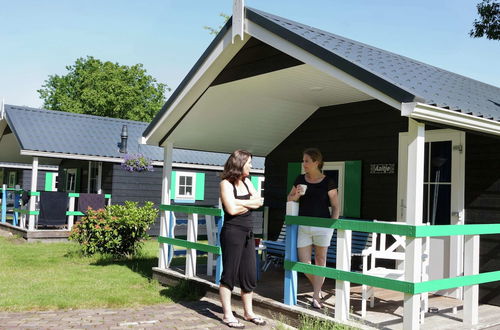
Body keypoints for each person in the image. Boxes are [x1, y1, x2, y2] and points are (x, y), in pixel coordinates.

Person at [219, 149, 266, 328]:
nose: (252, 166)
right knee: (229, 273)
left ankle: (248, 313)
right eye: (249, 163)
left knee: (249, 274)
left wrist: (238, 202)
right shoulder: (226, 184)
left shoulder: (247, 181)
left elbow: (259, 202)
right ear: (240, 163)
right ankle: (227, 315)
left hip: (248, 233)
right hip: (232, 233)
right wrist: (248, 204)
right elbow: (230, 210)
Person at [287, 148, 339, 309]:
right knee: (304, 262)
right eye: (303, 161)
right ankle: (319, 288)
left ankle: (316, 296)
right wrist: (297, 195)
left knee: (320, 260)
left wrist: (332, 224)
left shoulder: (328, 181)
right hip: (303, 226)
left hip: (323, 226)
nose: (304, 164)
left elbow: (336, 205)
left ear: (317, 162)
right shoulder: (299, 179)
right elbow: (290, 199)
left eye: (307, 161)